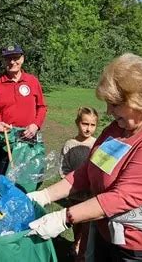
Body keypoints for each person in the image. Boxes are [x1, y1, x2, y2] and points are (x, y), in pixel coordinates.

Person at [27, 53, 142, 261]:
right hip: (108, 234)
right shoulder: (118, 128)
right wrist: (44, 196)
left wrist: (63, 218)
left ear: (138, 99)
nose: (108, 111)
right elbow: (88, 170)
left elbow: (122, 197)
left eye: (114, 104)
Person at [0, 44, 47, 176]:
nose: (12, 62)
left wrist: (35, 125)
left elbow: (41, 107)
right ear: (3, 61)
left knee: (27, 177)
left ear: (23, 59)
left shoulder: (32, 81)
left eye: (16, 58)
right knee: (5, 177)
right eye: (8, 59)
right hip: (6, 138)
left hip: (29, 135)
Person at [59, 107, 98, 262]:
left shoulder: (97, 145)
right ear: (77, 123)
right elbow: (63, 167)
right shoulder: (70, 144)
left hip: (91, 194)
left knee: (89, 225)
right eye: (84, 124)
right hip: (74, 193)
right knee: (76, 222)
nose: (88, 128)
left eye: (92, 125)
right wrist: (70, 184)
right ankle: (76, 244)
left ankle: (84, 251)